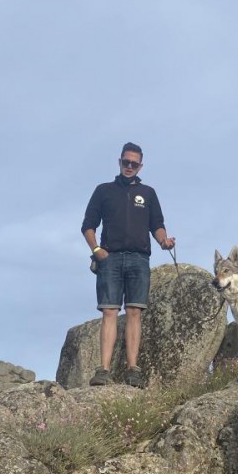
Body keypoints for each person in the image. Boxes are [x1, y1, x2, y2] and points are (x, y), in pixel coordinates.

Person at [81, 142, 175, 387]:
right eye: (126, 162)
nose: (129, 166)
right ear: (119, 162)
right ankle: (103, 370)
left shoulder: (148, 193)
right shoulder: (104, 191)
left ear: (140, 166)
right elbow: (88, 225)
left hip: (139, 258)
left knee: (134, 312)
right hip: (110, 258)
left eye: (134, 163)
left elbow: (157, 225)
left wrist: (164, 241)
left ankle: (133, 370)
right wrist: (96, 250)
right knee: (109, 311)